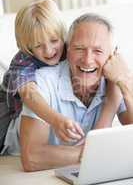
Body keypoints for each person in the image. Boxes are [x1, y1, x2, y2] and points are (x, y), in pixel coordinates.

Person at [4, 13, 133, 171]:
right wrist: (92, 153)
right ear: (68, 48)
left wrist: (126, 83)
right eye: (79, 48)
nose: (87, 60)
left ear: (112, 55)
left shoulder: (115, 80)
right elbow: (32, 158)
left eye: (98, 51)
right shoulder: (41, 80)